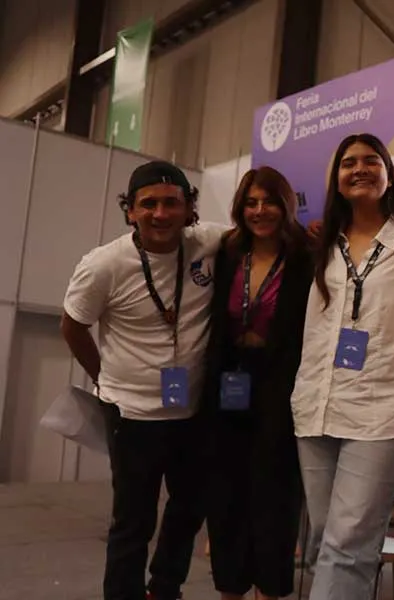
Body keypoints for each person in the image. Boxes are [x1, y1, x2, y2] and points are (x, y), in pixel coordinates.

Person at [61, 161, 226, 600]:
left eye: (171, 203)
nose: (160, 214)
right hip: (131, 417)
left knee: (190, 508)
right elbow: (73, 326)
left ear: (188, 208)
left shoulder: (207, 242)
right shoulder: (103, 265)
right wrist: (103, 380)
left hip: (191, 414)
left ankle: (164, 589)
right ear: (129, 211)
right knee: (132, 521)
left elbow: (259, 229)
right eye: (147, 204)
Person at [290, 133, 394, 599]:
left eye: (371, 160)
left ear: (390, 174)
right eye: (348, 162)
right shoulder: (320, 245)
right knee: (323, 542)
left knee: (347, 546)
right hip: (316, 407)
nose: (359, 169)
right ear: (336, 179)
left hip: (382, 412)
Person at [200, 167, 315, 600]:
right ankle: (229, 586)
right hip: (228, 382)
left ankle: (271, 588)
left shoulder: (306, 255)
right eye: (251, 202)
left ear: (286, 204)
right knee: (225, 496)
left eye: (269, 201)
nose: (260, 210)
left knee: (274, 500)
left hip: (280, 386)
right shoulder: (228, 252)